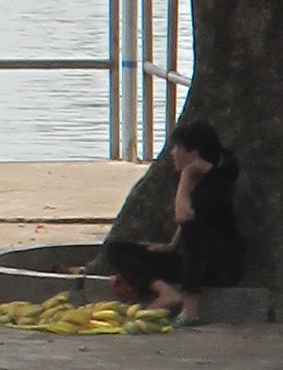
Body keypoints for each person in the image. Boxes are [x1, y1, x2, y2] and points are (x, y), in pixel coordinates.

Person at [101, 117, 244, 321]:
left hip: (219, 266)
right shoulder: (197, 177)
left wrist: (186, 176)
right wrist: (170, 245)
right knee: (117, 249)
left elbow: (185, 217)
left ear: (193, 153)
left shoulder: (216, 186)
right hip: (189, 259)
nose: (172, 153)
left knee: (193, 228)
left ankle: (190, 310)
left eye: (177, 148)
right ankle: (166, 292)